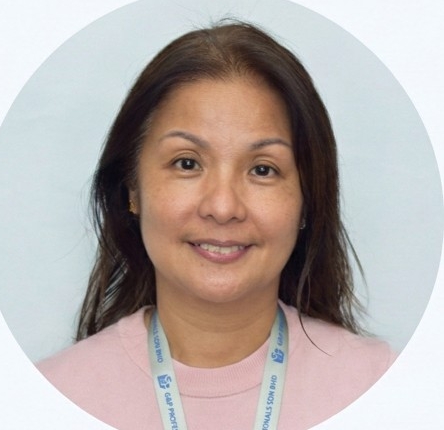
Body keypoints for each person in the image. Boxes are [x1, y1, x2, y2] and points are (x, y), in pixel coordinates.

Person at [37, 21, 396, 430]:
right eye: (187, 163)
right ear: (132, 190)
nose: (223, 207)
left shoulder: (385, 387)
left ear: (307, 201)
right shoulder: (49, 398)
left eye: (263, 169)